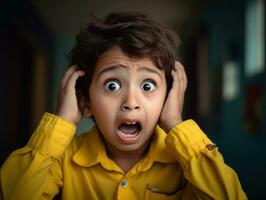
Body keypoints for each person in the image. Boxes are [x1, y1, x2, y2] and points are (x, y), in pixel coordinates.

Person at [0, 11, 247, 200]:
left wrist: (175, 122)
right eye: (112, 86)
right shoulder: (64, 158)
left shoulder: (184, 162)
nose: (131, 103)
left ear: (168, 97)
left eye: (148, 86)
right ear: (85, 101)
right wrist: (62, 122)